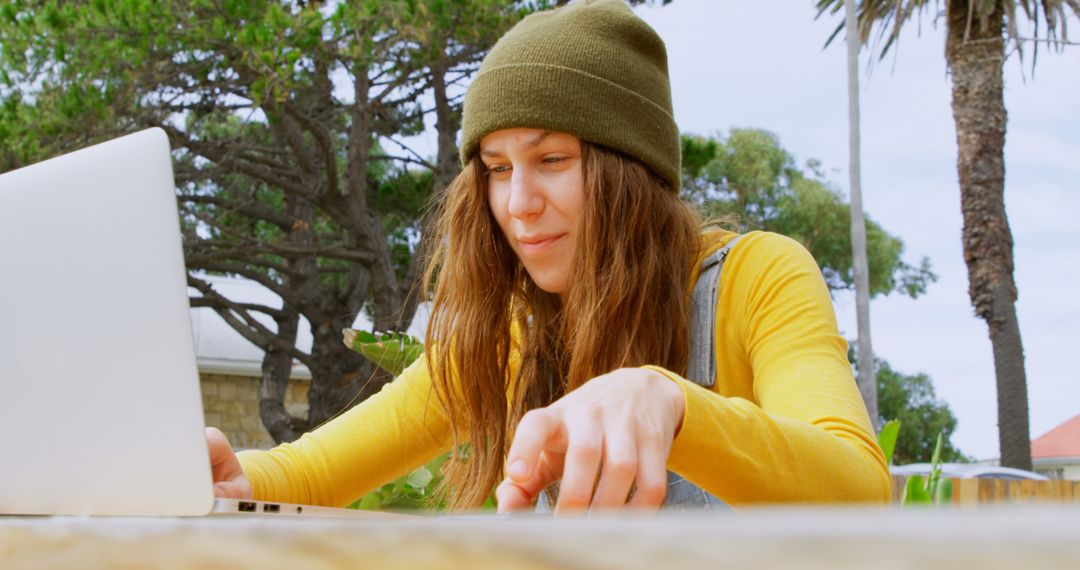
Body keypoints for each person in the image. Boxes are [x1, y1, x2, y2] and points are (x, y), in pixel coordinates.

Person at [206, 0, 891, 514]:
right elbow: (314, 470)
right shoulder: (508, 333)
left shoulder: (758, 278)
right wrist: (236, 475)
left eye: (552, 159)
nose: (519, 203)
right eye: (498, 169)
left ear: (632, 168)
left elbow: (859, 492)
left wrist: (670, 404)